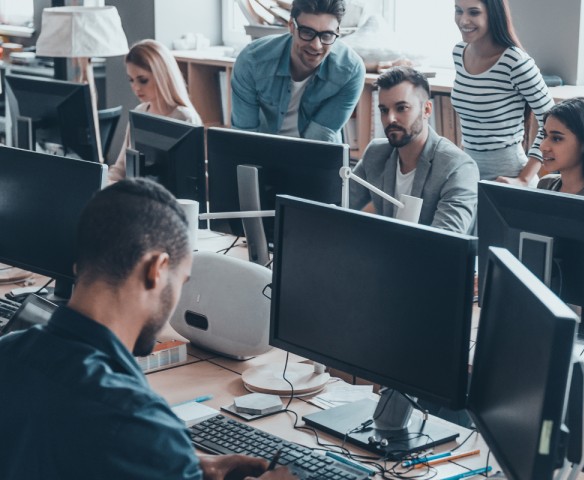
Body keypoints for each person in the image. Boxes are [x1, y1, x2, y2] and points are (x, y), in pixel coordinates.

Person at [0, 178, 295, 480]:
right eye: (181, 281)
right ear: (156, 270)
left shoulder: (8, 351)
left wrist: (183, 464)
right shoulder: (137, 419)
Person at [349, 66, 479, 234]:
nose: (390, 119)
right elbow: (339, 204)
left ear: (426, 110)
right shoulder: (376, 153)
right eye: (384, 110)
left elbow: (445, 242)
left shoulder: (458, 168)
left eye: (401, 108)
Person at [231, 0, 365, 143]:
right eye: (307, 32)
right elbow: (244, 136)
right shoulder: (252, 62)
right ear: (291, 26)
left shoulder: (350, 71)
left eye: (326, 35)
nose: (316, 45)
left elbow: (320, 137)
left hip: (316, 154)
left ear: (337, 32)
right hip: (262, 152)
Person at [451, 0, 554, 185]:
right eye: (459, 11)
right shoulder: (459, 53)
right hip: (468, 172)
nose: (463, 20)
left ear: (493, 14)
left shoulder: (515, 61)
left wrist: (523, 179)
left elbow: (552, 122)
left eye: (474, 12)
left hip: (509, 175)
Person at [109, 39, 202, 182]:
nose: (136, 87)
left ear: (162, 76)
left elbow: (190, 181)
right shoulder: (139, 112)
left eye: (143, 80)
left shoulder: (184, 118)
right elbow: (121, 168)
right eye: (131, 80)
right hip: (136, 195)